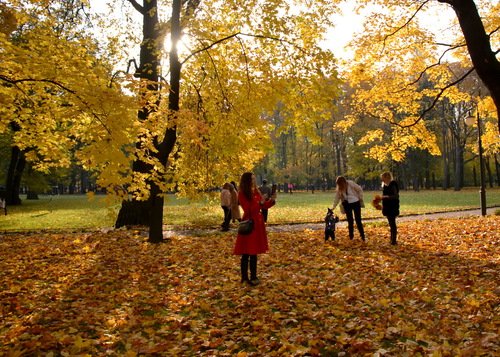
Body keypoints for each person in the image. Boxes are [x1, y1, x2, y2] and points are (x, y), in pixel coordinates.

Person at [233, 172, 276, 286]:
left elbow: (264, 205)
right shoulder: (242, 193)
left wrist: (271, 200)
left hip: (258, 223)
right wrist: (260, 202)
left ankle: (253, 276)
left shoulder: (256, 191)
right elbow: (248, 209)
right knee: (246, 251)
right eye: (251, 179)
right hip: (249, 223)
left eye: (254, 178)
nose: (253, 181)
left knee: (254, 252)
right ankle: (244, 277)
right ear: (246, 180)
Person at [332, 176, 365, 241]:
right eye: (339, 185)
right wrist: (333, 207)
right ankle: (351, 236)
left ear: (344, 182)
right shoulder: (339, 188)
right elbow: (337, 198)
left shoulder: (351, 183)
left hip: (355, 202)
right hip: (347, 204)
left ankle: (362, 235)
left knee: (358, 220)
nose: (340, 186)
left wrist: (360, 197)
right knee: (350, 221)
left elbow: (359, 189)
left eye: (341, 184)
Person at [381, 171, 400, 245]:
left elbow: (395, 196)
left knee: (392, 224)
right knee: (391, 223)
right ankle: (392, 239)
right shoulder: (385, 185)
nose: (382, 179)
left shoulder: (393, 184)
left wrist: (386, 196)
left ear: (387, 177)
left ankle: (393, 240)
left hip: (393, 206)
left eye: (383, 178)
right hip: (387, 206)